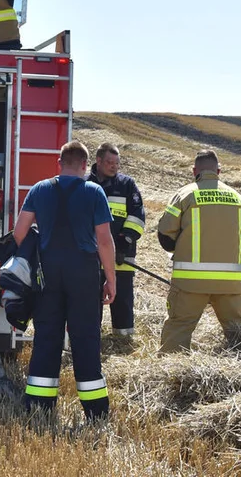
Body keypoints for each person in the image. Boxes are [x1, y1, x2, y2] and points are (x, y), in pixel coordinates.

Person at [12, 140, 116, 418]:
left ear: (58, 163)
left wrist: (38, 251)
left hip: (47, 272)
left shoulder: (39, 189)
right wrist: (110, 279)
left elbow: (19, 232)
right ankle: (95, 411)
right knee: (85, 338)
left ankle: (39, 406)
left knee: (47, 336)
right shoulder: (94, 191)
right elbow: (104, 241)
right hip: (83, 272)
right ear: (85, 165)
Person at [156, 150, 241, 353]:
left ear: (195, 171)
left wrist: (180, 249)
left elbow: (165, 234)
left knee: (178, 331)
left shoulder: (185, 195)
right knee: (240, 337)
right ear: (218, 171)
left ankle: (174, 378)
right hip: (231, 283)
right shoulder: (238, 198)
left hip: (190, 282)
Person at [88, 143, 146, 336]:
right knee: (90, 303)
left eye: (117, 163)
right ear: (98, 161)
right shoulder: (86, 183)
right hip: (91, 258)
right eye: (110, 162)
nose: (114, 166)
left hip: (122, 257)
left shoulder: (127, 185)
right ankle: (91, 338)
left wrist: (125, 241)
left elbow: (138, 215)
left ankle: (123, 338)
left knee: (122, 302)